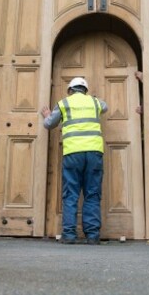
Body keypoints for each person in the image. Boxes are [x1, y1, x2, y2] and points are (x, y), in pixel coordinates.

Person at [40, 77, 108, 245]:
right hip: (94, 152)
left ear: (70, 90)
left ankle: (69, 235)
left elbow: (49, 124)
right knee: (92, 193)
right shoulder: (94, 102)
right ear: (85, 90)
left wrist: (48, 115)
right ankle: (92, 236)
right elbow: (105, 107)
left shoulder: (64, 103)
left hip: (73, 153)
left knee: (71, 194)